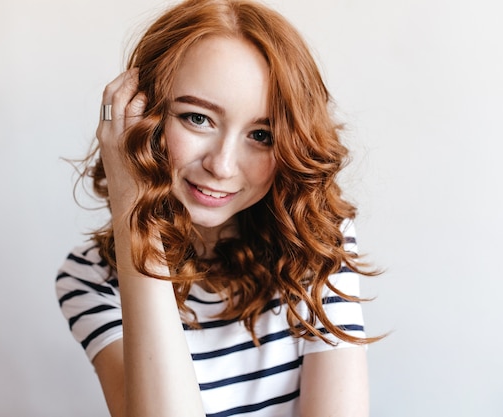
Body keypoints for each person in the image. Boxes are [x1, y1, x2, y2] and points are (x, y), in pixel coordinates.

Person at [56, 0, 380, 416]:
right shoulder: (90, 279)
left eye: (261, 134)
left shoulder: (319, 246)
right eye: (197, 118)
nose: (222, 166)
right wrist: (132, 205)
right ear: (141, 115)